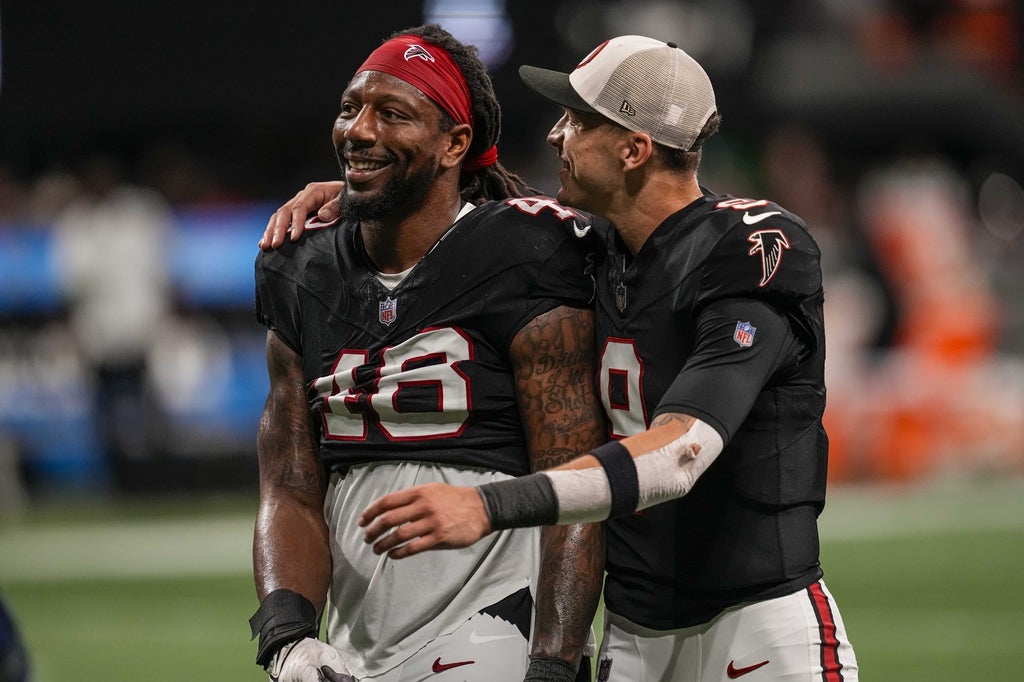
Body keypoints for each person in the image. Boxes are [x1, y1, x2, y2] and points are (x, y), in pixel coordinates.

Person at [273, 35, 860, 682]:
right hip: (635, 637)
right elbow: (465, 222)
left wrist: (491, 506)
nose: (556, 135)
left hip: (758, 622)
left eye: (579, 121)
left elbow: (681, 453)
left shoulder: (749, 249)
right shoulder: (591, 245)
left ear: (634, 150)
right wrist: (370, 186)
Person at [250, 24, 605, 682]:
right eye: (351, 108)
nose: (358, 130)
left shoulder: (528, 254)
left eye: (392, 114)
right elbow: (291, 488)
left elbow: (577, 484)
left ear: (455, 143)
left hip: (497, 631)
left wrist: (554, 665)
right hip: (356, 650)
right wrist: (288, 637)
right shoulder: (301, 267)